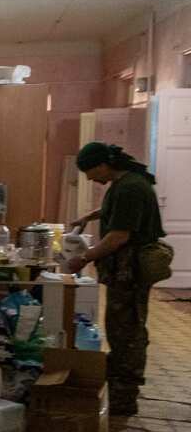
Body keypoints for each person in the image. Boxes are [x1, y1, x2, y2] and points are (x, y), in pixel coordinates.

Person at [67, 141, 169, 417]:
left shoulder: (131, 187)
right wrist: (90, 215)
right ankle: (119, 389)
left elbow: (118, 236)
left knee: (127, 331)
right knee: (119, 326)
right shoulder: (125, 184)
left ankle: (125, 398)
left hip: (131, 270)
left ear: (104, 164)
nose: (89, 178)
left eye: (90, 171)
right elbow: (117, 211)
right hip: (123, 270)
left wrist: (84, 258)